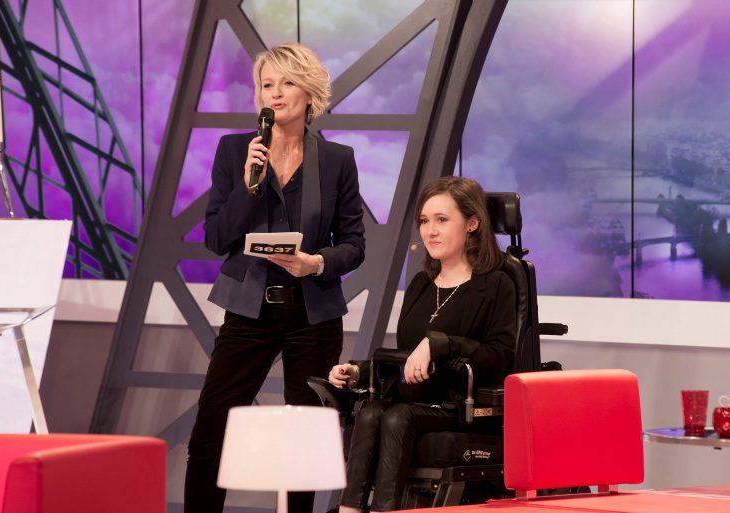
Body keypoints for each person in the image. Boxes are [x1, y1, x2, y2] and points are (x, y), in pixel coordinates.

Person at [185, 43, 365, 513]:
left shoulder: (337, 159)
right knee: (213, 428)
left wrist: (316, 262)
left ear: (309, 93)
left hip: (312, 312)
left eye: (287, 83)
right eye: (267, 85)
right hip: (249, 308)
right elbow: (217, 238)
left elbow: (354, 243)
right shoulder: (234, 151)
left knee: (304, 437)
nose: (276, 93)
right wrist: (249, 184)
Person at [328, 176, 517, 512]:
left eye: (442, 220)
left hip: (461, 405)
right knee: (370, 412)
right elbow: (407, 358)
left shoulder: (496, 284)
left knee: (398, 417)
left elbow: (499, 356)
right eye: (425, 221)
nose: (430, 231)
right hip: (414, 398)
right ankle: (349, 509)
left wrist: (442, 344)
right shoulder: (421, 284)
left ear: (472, 223)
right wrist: (358, 372)